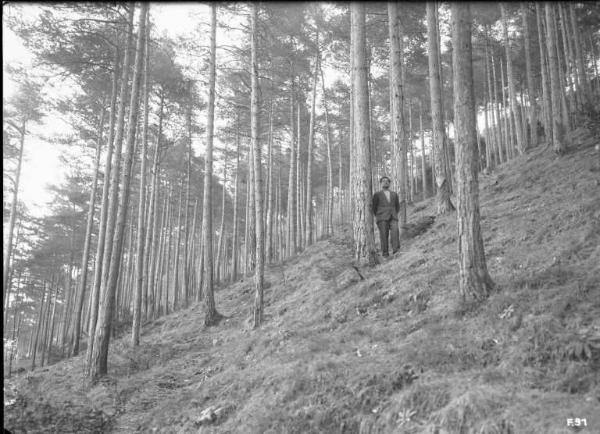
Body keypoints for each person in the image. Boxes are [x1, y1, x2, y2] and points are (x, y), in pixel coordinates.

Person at [371, 176, 400, 258]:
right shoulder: (377, 194)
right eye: (383, 181)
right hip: (382, 217)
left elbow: (397, 206)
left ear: (389, 183)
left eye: (387, 181)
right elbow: (374, 207)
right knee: (383, 235)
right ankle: (385, 254)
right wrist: (379, 215)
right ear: (380, 183)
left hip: (393, 216)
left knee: (395, 231)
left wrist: (394, 213)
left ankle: (396, 251)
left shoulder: (394, 194)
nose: (385, 182)